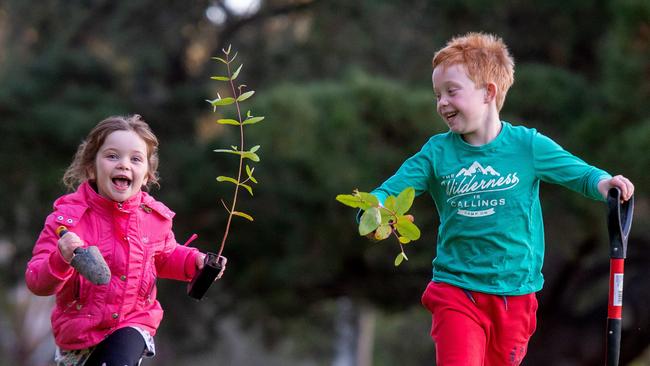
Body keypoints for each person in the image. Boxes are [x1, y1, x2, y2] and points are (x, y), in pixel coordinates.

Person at [367, 33, 635, 366]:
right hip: (456, 290)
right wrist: (374, 209)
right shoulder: (437, 153)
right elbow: (391, 190)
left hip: (515, 294)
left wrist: (605, 182)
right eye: (437, 95)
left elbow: (580, 174)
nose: (442, 103)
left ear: (488, 92)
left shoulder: (527, 145)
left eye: (452, 91)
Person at [25, 115, 227, 366]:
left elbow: (164, 256)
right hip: (78, 335)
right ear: (91, 168)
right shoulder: (66, 220)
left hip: (132, 321)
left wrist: (194, 261)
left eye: (135, 159)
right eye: (112, 156)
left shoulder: (154, 218)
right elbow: (36, 281)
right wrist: (61, 257)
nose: (123, 165)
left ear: (146, 176)